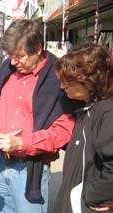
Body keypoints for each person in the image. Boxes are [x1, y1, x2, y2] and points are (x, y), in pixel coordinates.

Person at [0, 19, 78, 213]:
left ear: (38, 49)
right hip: (0, 162)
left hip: (30, 168)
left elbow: (63, 131)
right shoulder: (8, 68)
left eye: (19, 56)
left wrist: (21, 143)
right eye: (10, 56)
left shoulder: (57, 77)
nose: (13, 62)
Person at [53, 44, 113, 213]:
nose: (62, 87)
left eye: (68, 83)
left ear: (89, 81)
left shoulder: (106, 112)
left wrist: (91, 196)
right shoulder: (87, 107)